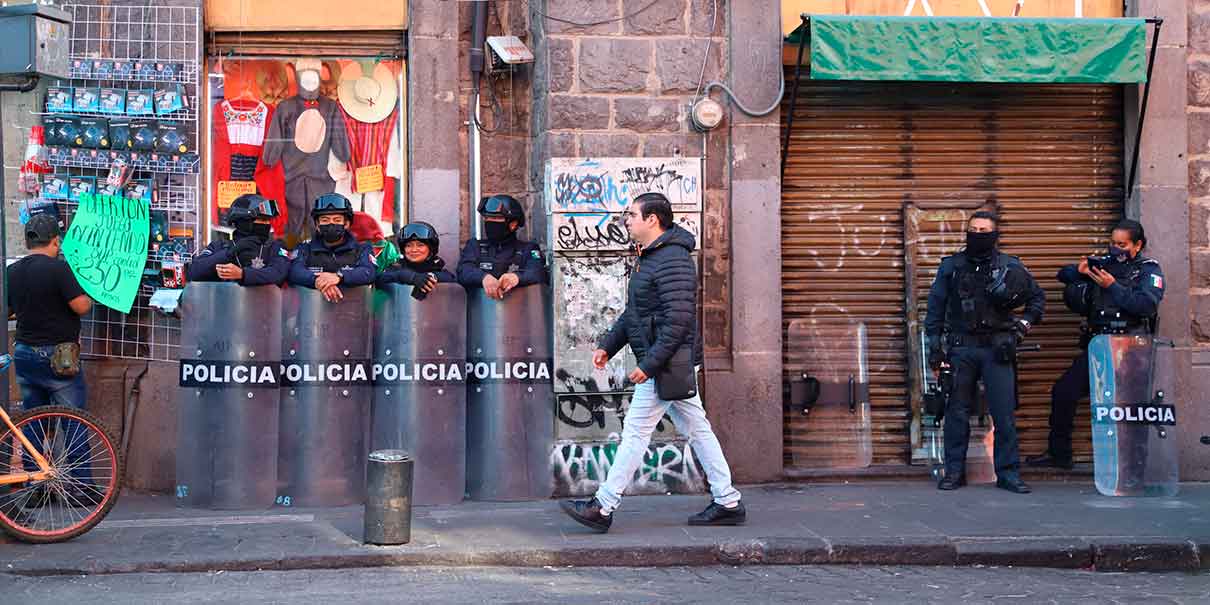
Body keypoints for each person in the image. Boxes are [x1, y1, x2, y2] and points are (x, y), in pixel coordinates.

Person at [560, 192, 743, 533]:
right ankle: (728, 500)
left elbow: (679, 321)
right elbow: (636, 313)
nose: (626, 220)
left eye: (631, 215)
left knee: (635, 432)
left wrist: (650, 365)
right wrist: (608, 346)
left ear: (652, 220)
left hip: (667, 364)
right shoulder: (651, 256)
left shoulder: (672, 260)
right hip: (667, 362)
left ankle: (603, 505)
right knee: (698, 430)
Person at [924, 210, 1045, 494]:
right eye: (973, 230)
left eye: (983, 231)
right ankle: (954, 472)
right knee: (956, 412)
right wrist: (934, 349)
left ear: (994, 235)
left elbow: (1037, 298)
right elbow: (935, 308)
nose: (977, 235)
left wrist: (1024, 325)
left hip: (996, 349)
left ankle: (1008, 474)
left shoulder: (1010, 266)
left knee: (1003, 414)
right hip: (961, 349)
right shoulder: (951, 267)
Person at [1028, 219, 1163, 470]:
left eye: (1122, 244)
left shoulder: (1148, 270)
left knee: (1129, 407)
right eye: (1112, 243)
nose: (1115, 249)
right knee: (1064, 391)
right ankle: (1060, 454)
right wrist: (1079, 271)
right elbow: (1063, 274)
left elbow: (1146, 305)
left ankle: (1134, 465)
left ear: (1137, 245)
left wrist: (1112, 287)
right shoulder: (1104, 264)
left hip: (1131, 349)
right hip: (1099, 346)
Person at [6, 214, 96, 502]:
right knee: (72, 419)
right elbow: (81, 306)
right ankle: (82, 486)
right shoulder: (59, 270)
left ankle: (35, 485)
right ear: (56, 241)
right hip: (58, 357)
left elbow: (6, 310)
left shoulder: (13, 271)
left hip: (24, 352)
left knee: (34, 419)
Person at [287, 193, 376, 302]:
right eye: (325, 220)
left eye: (337, 220)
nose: (331, 224)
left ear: (346, 224)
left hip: (354, 314)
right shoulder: (304, 248)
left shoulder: (362, 248)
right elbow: (294, 271)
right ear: (317, 225)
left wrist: (339, 277)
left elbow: (369, 272)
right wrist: (319, 281)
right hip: (313, 315)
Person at [187, 193, 289, 285]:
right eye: (262, 220)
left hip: (263, 305)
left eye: (268, 220)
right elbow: (193, 272)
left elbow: (279, 273)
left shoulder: (273, 247)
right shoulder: (219, 246)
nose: (267, 224)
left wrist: (243, 274)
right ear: (244, 221)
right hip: (225, 304)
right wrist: (228, 253)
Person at [456, 194, 545, 299]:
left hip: (518, 312)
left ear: (513, 224)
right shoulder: (475, 246)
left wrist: (516, 277)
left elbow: (538, 272)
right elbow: (463, 271)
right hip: (480, 312)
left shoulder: (528, 249)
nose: (490, 222)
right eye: (487, 218)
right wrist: (484, 278)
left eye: (496, 218)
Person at [376, 221, 456, 298]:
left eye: (420, 245)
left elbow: (451, 278)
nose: (414, 250)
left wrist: (431, 277)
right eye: (408, 245)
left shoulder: (437, 267)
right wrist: (410, 277)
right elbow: (380, 279)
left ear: (431, 249)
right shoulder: (396, 268)